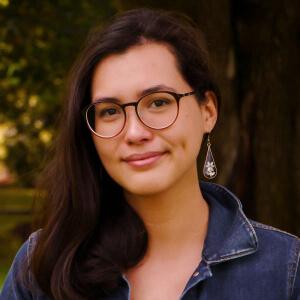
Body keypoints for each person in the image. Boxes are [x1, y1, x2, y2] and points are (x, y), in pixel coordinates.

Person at [1, 8, 299, 300]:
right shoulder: (39, 269)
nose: (134, 132)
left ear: (207, 111)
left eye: (158, 103)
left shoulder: (287, 270)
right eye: (110, 111)